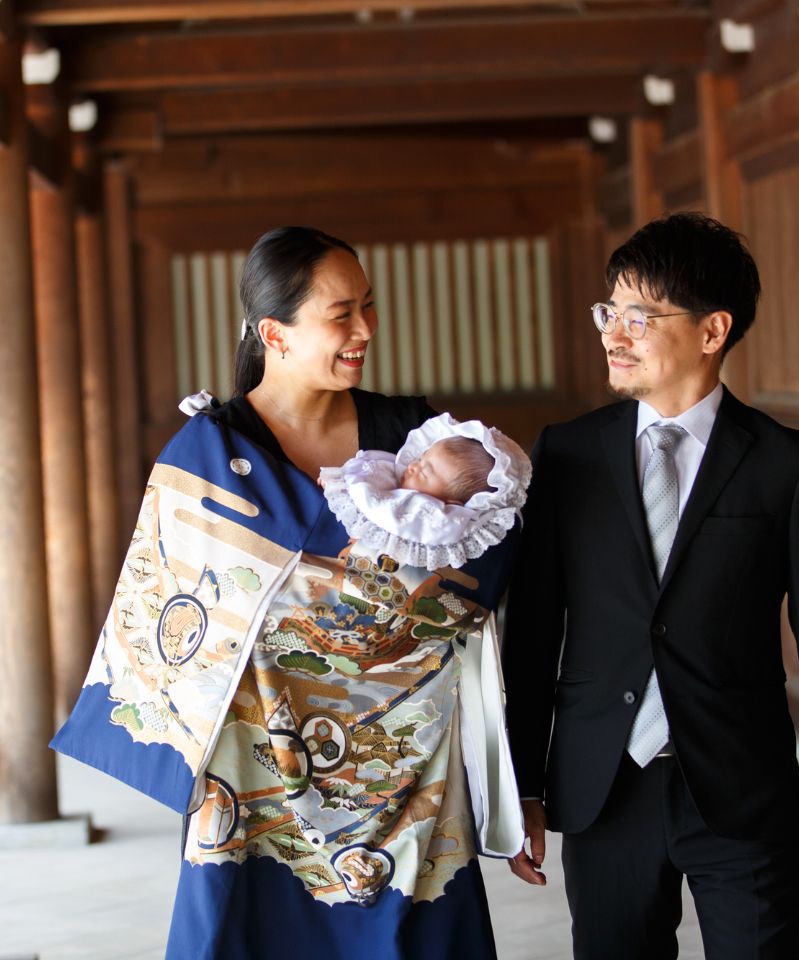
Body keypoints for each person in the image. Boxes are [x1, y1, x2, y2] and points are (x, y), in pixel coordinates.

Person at [51, 226, 524, 960]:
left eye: (368, 307)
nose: (366, 329)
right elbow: (167, 608)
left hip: (402, 767)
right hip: (251, 768)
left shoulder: (412, 435)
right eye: (342, 314)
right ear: (274, 332)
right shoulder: (211, 451)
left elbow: (482, 569)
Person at [502, 212, 799, 959]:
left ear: (712, 332)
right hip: (604, 783)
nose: (613, 333)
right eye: (609, 311)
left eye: (639, 317)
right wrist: (524, 785)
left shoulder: (786, 464)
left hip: (742, 784)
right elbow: (535, 632)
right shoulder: (569, 455)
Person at [318, 412, 531, 572]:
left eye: (424, 472)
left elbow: (378, 508)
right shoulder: (393, 475)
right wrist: (341, 484)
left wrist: (347, 489)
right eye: (420, 459)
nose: (412, 466)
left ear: (452, 503)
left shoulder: (433, 517)